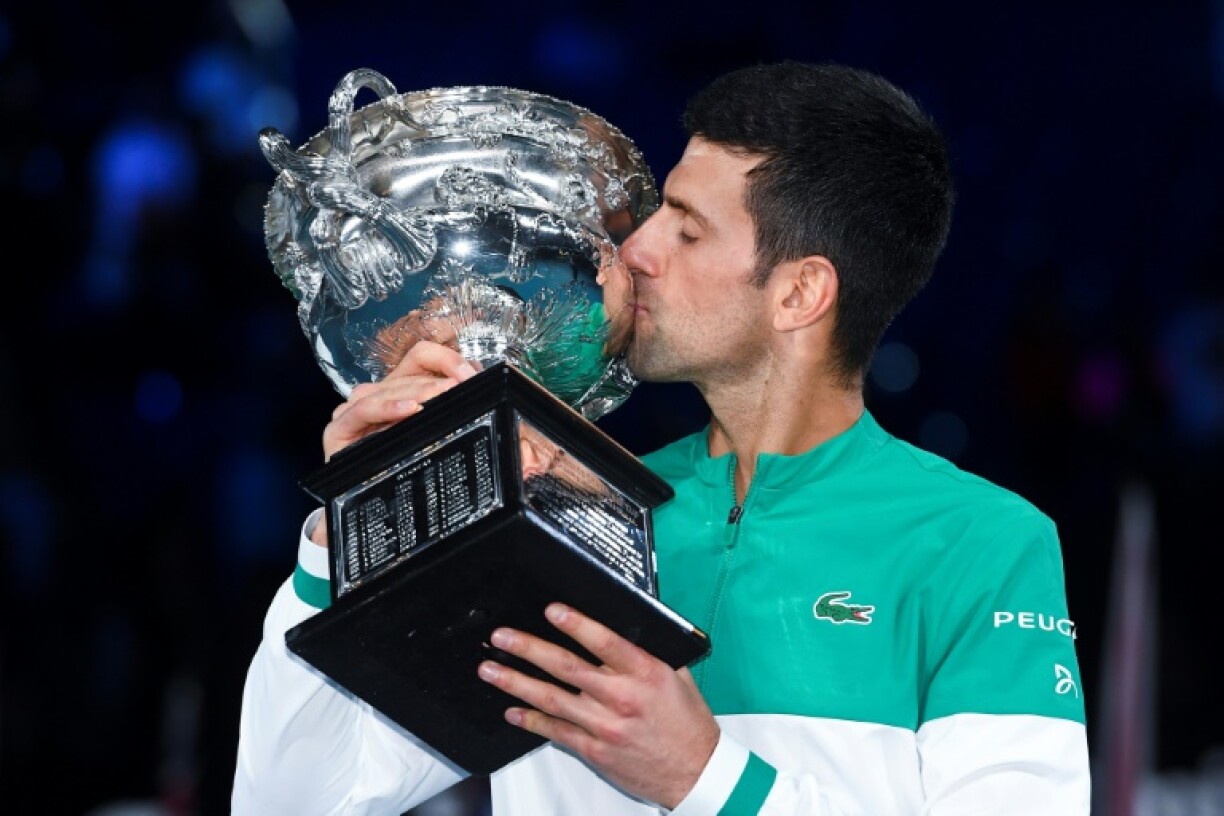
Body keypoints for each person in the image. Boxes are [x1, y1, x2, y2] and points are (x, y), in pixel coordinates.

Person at [233, 61, 1090, 814]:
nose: (632, 250)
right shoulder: (554, 505)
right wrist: (342, 536)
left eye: (685, 227)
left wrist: (702, 775)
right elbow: (294, 801)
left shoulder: (980, 544)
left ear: (799, 295)